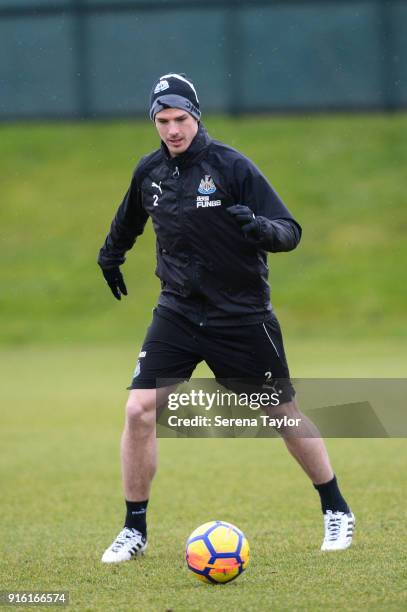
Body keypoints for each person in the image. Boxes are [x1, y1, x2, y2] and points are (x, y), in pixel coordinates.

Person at [97, 73, 355, 563]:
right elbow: (130, 217)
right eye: (163, 120)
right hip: (177, 311)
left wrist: (259, 229)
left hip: (239, 315)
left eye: (180, 119)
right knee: (138, 411)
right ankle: (135, 529)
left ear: (196, 116)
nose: (173, 129)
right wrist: (110, 256)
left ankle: (336, 508)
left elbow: (290, 230)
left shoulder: (231, 166)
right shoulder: (149, 171)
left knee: (280, 413)